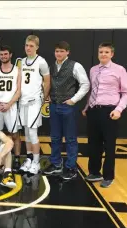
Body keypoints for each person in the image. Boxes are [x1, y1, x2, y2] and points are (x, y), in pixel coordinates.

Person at [82, 42, 127, 188]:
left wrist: (119, 109)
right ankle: (95, 172)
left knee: (109, 145)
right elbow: (93, 90)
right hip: (94, 111)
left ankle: (108, 176)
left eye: (106, 52)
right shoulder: (93, 70)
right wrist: (87, 107)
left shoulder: (119, 70)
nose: (103, 54)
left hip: (110, 111)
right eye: (101, 52)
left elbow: (126, 93)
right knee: (94, 144)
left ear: (112, 54)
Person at [43, 41, 90, 180]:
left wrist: (73, 100)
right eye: (57, 51)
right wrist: (49, 97)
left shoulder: (75, 65)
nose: (59, 53)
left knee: (70, 138)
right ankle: (56, 163)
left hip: (68, 106)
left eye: (62, 51)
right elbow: (49, 83)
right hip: (54, 105)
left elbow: (85, 84)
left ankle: (71, 167)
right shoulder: (52, 67)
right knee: (55, 137)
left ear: (67, 52)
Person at [18, 35, 50, 175]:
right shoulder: (23, 61)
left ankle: (36, 161)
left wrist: (43, 98)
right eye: (26, 45)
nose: (28, 48)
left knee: (32, 132)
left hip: (34, 102)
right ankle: (29, 159)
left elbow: (47, 81)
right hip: (23, 101)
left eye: (31, 46)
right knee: (26, 132)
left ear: (37, 47)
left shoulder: (41, 62)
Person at [0, 45, 22, 172]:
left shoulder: (17, 70)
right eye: (1, 54)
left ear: (10, 55)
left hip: (11, 106)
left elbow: (18, 91)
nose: (3, 56)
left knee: (14, 134)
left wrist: (8, 104)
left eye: (5, 54)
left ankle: (17, 157)